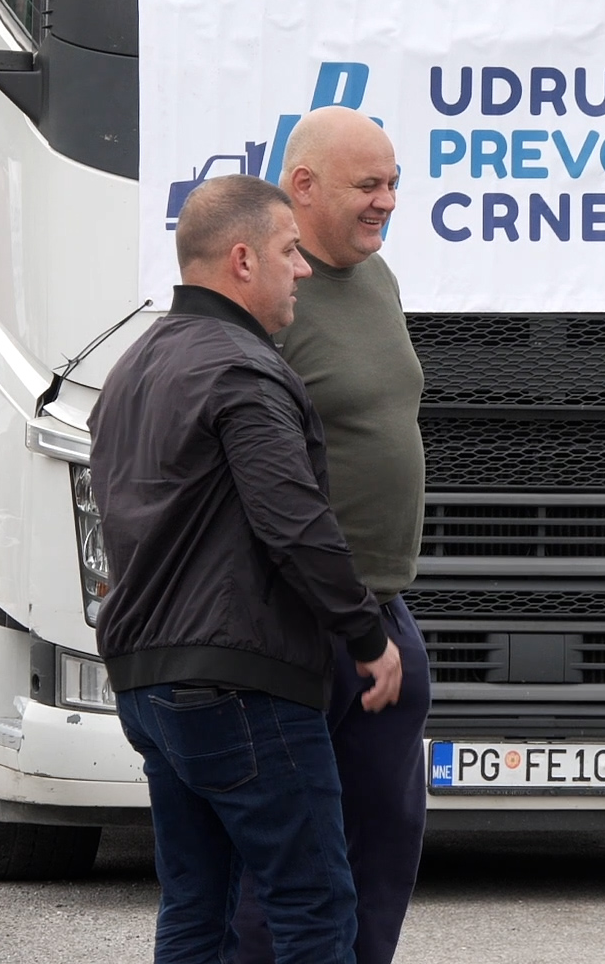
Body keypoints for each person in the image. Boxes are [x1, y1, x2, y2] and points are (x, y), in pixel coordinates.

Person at [89, 174, 404, 964]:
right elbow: (295, 524)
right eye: (289, 251)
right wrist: (368, 636)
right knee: (314, 906)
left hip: (146, 682)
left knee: (196, 908)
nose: (302, 269)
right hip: (240, 682)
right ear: (241, 260)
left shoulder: (133, 366)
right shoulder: (244, 371)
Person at [228, 107, 433, 964]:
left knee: (384, 843)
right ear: (303, 186)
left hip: (384, 611)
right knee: (290, 866)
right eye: (369, 185)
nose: (388, 201)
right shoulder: (267, 298)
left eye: (394, 183)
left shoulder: (376, 278)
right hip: (303, 617)